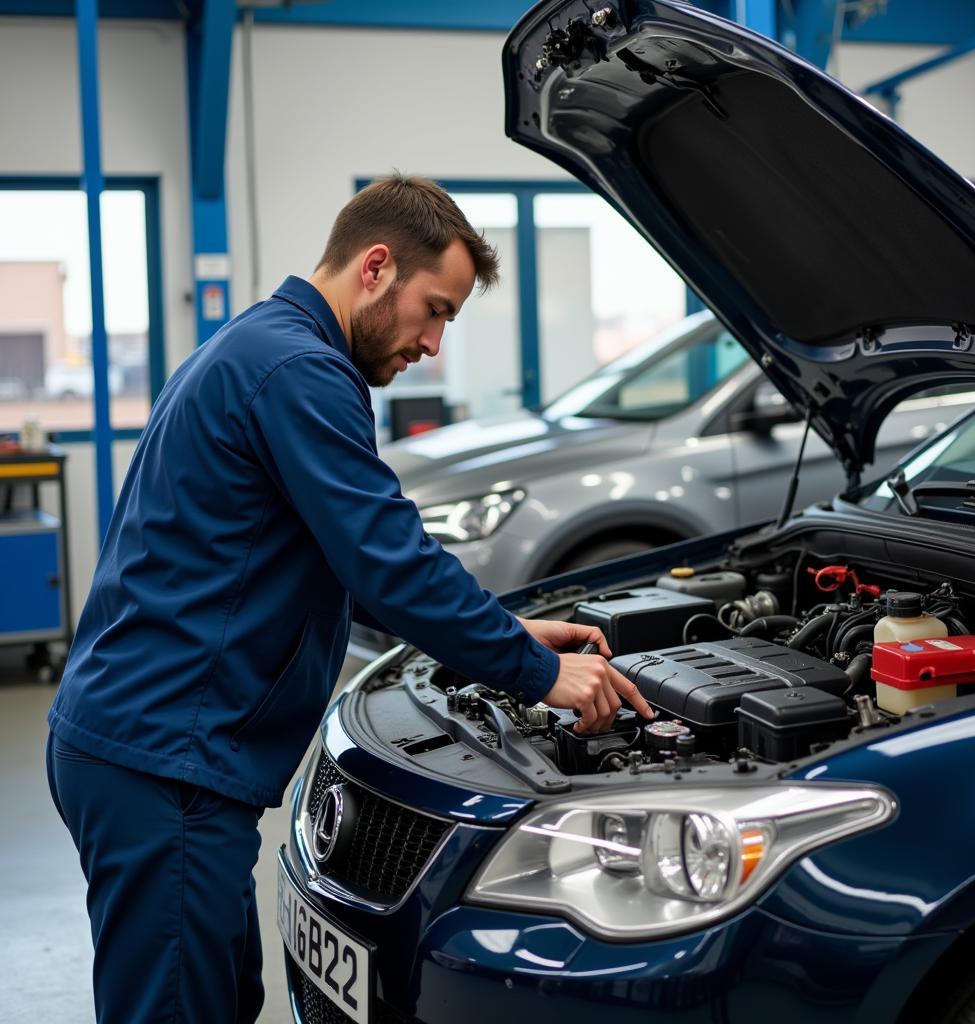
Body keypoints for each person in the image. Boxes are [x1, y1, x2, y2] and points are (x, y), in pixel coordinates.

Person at [45, 174, 653, 1024]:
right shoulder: (301, 371)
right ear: (375, 268)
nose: (435, 344)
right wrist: (534, 672)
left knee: (218, 994)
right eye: (434, 309)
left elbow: (337, 567)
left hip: (149, 742)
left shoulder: (262, 345)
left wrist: (499, 630)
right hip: (164, 756)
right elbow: (388, 560)